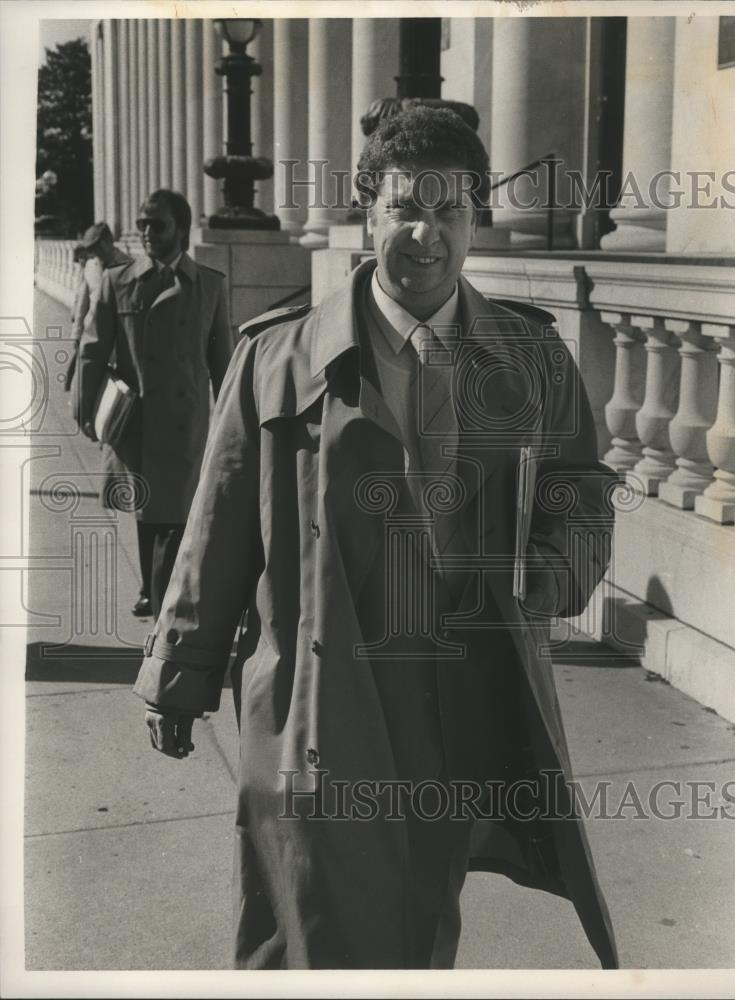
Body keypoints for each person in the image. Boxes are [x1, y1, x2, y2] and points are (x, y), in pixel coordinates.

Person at [133, 108, 620, 970]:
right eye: (404, 208)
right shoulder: (274, 357)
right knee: (306, 919)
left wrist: (543, 576)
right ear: (368, 212)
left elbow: (579, 493)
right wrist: (179, 674)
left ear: (474, 219)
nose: (425, 234)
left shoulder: (532, 357)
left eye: (451, 211)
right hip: (315, 697)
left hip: (458, 693)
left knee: (420, 924)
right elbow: (218, 523)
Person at [77, 189, 234, 619]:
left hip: (187, 423)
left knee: (177, 515)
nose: (146, 231)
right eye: (143, 223)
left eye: (157, 224)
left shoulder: (210, 285)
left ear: (180, 230)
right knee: (147, 511)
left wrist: (234, 419)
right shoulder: (118, 281)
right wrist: (85, 406)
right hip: (137, 422)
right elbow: (93, 348)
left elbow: (225, 362)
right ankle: (153, 587)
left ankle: (165, 593)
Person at [65, 222, 132, 393]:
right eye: (93, 248)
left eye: (100, 246)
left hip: (117, 345)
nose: (97, 252)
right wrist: (76, 335)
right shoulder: (90, 266)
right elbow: (82, 302)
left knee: (114, 396)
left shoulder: (128, 267)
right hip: (91, 337)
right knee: (86, 391)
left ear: (110, 241)